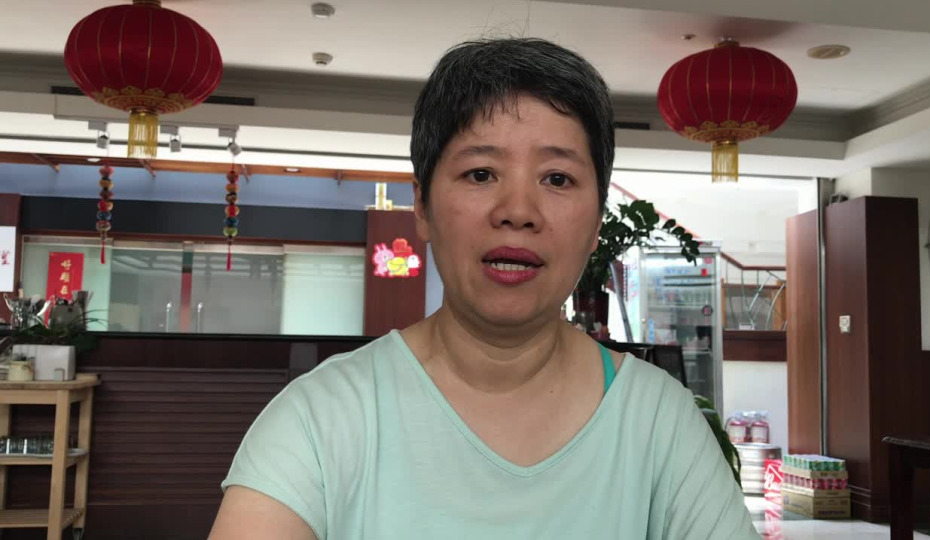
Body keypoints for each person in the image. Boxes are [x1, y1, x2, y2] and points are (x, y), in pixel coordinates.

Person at [209, 38, 758, 540]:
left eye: (557, 178)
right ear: (422, 206)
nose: (517, 211)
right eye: (480, 174)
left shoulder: (658, 420)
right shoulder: (320, 418)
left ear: (596, 223)